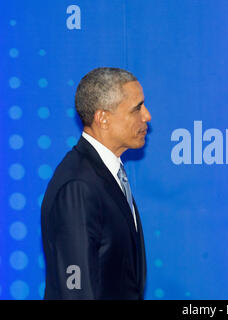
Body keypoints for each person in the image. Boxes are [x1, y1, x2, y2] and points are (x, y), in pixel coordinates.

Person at [41, 67, 151, 299]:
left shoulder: (107, 173)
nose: (147, 116)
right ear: (103, 118)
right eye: (137, 108)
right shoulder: (78, 186)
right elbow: (76, 290)